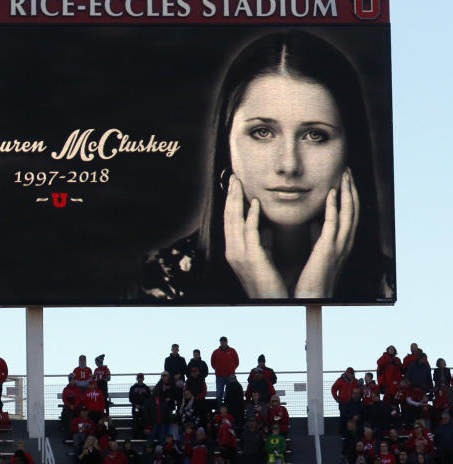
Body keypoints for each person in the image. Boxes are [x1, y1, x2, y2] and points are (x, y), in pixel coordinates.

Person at [142, 30, 392, 302]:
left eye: (315, 135)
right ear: (227, 143)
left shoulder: (391, 285)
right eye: (262, 132)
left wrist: (312, 297)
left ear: (349, 150)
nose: (289, 165)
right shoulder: (164, 278)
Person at [210, 336, 239, 403]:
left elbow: (236, 362)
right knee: (219, 394)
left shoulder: (232, 351)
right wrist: (218, 369)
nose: (222, 343)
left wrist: (231, 370)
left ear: (226, 342)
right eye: (221, 341)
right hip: (219, 376)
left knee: (230, 393)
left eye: (224, 341)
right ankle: (219, 409)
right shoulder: (215, 352)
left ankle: (229, 409)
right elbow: (212, 363)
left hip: (230, 376)